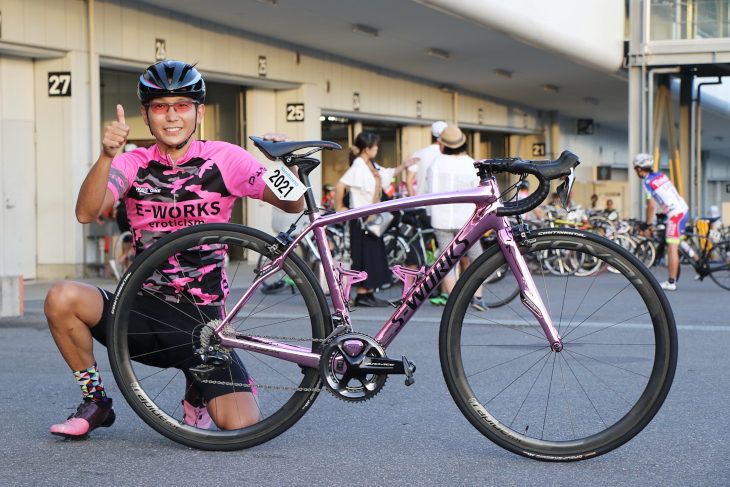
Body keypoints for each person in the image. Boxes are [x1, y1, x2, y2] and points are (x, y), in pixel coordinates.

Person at [45, 60, 302, 440]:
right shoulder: (133, 163)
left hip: (203, 323)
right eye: (160, 106)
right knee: (61, 296)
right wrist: (106, 156)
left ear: (198, 112)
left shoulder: (225, 158)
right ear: (147, 114)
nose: (171, 116)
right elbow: (86, 212)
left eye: (181, 105)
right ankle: (95, 401)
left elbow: (293, 203)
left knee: (242, 426)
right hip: (140, 312)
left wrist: (280, 162)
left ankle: (196, 389)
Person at [334, 132, 417, 307]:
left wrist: (404, 165)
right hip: (362, 219)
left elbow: (386, 174)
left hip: (371, 217)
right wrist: (339, 208)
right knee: (366, 256)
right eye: (375, 146)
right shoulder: (358, 165)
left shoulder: (369, 164)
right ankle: (363, 295)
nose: (377, 148)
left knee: (373, 256)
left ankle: (368, 293)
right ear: (367, 148)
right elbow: (340, 185)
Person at [424, 125, 487, 311]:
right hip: (467, 219)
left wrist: (430, 213)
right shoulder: (470, 163)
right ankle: (477, 297)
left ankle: (454, 301)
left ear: (443, 145)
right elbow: (479, 191)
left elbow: (429, 191)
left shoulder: (436, 162)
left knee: (447, 259)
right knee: (476, 255)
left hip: (441, 218)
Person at [633, 153, 688, 291]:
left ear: (639, 169)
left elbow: (651, 205)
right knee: (678, 241)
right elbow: (668, 195)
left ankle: (671, 281)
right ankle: (699, 261)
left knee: (671, 248)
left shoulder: (647, 182)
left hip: (675, 215)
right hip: (682, 209)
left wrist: (647, 222)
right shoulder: (661, 176)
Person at [405, 120, 448, 197]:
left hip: (421, 202)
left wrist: (413, 203)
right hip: (441, 204)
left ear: (431, 134)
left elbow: (408, 181)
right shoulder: (447, 155)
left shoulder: (419, 153)